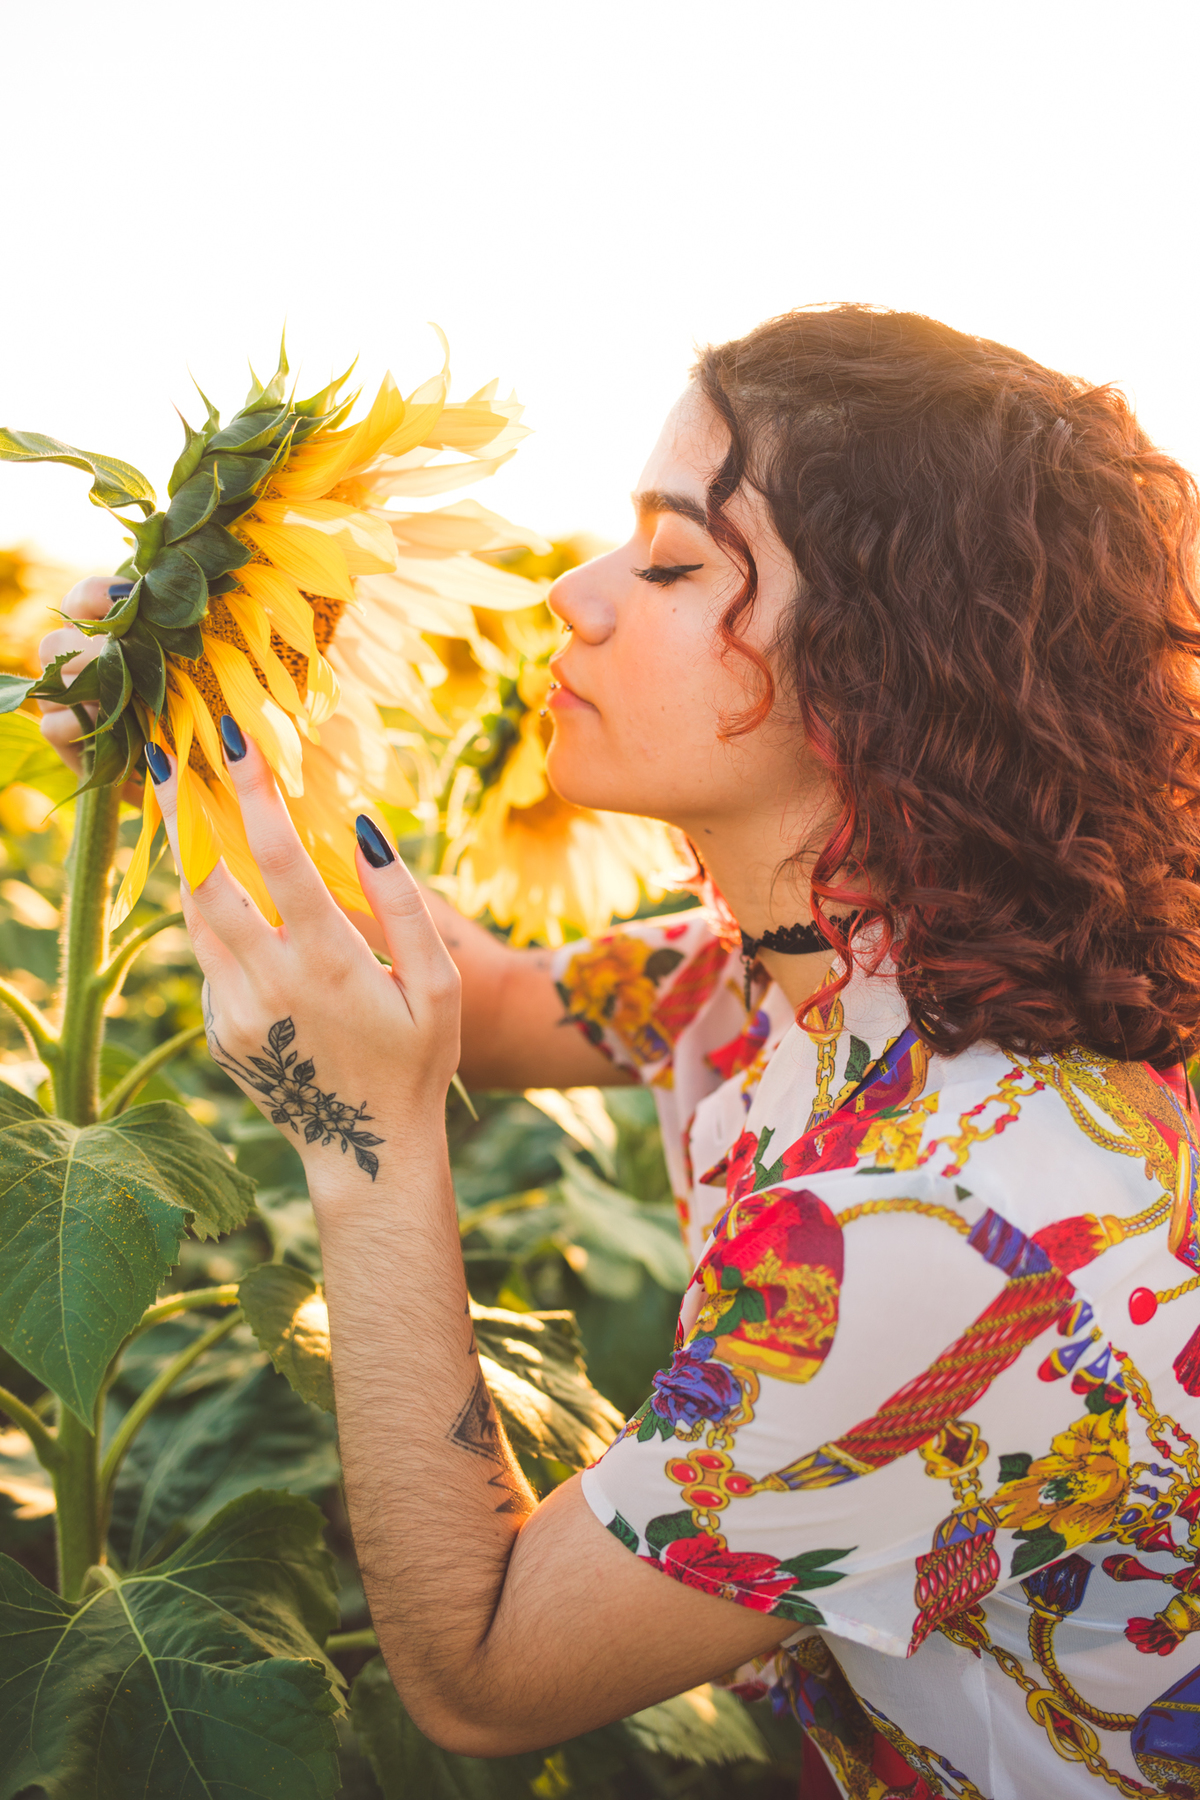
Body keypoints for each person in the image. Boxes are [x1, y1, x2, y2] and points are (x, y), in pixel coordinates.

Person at [38, 306, 1200, 1800]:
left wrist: (363, 1140)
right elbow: (505, 1000)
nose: (574, 595)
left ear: (885, 659)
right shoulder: (817, 970)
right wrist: (197, 717)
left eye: (670, 563)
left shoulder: (946, 1216)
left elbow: (486, 1667)